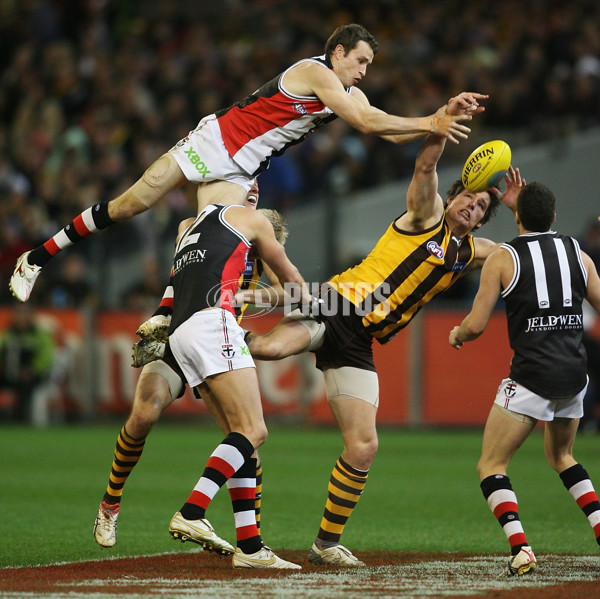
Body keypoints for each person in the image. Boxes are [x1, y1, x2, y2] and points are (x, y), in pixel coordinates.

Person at [230, 93, 521, 567]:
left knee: (363, 447)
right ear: (454, 196)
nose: (472, 205)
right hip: (337, 304)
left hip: (359, 341)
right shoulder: (425, 215)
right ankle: (211, 333)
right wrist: (441, 122)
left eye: (482, 206)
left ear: (485, 219)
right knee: (267, 349)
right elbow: (426, 169)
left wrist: (512, 203)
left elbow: (520, 253)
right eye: (469, 195)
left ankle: (325, 545)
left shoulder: (472, 252)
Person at [9, 23, 484, 304]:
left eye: (368, 66)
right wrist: (431, 122)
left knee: (210, 233)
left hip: (240, 172)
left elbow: (377, 117)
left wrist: (437, 118)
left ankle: (163, 317)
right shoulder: (314, 72)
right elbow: (364, 121)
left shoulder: (346, 89)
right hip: (215, 141)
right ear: (337, 52)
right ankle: (36, 257)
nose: (363, 72)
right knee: (130, 205)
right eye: (359, 61)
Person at [93, 185, 288, 563]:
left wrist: (250, 297)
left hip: (214, 339)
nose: (253, 188)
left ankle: (250, 544)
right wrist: (160, 316)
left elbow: (281, 291)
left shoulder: (257, 240)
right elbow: (174, 280)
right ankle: (111, 502)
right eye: (245, 181)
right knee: (145, 414)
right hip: (183, 332)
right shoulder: (194, 224)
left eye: (257, 185)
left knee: (245, 443)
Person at [449, 182, 600, 577]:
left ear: (517, 217)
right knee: (562, 457)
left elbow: (477, 324)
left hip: (533, 376)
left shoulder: (503, 257)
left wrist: (458, 333)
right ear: (553, 217)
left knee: (491, 465)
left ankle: (521, 549)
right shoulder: (578, 255)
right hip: (574, 373)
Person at [0, 303, 56, 423]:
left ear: (31, 315)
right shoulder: (7, 334)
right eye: (18, 313)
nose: (21, 316)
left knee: (26, 387)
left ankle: (22, 419)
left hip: (32, 376)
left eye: (25, 313)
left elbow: (46, 357)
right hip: (9, 374)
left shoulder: (40, 335)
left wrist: (32, 370)